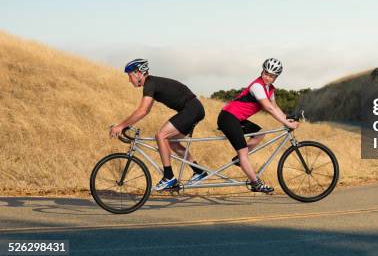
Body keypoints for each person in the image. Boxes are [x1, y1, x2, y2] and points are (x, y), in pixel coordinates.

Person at [109, 58, 207, 191]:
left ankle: (169, 177)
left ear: (138, 73)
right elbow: (146, 110)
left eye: (130, 76)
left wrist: (120, 126)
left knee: (161, 135)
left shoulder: (150, 83)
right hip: (194, 109)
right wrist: (126, 124)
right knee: (171, 142)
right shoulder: (152, 83)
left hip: (191, 109)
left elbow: (142, 110)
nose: (129, 80)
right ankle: (199, 171)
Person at [217, 58, 299, 193]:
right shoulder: (257, 86)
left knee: (260, 133)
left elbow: (275, 107)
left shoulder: (270, 89)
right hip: (228, 117)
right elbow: (268, 108)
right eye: (266, 73)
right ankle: (255, 183)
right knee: (243, 152)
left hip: (238, 119)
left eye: (271, 76)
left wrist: (288, 120)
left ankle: (240, 160)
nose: (267, 77)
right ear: (262, 71)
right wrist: (285, 122)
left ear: (276, 77)